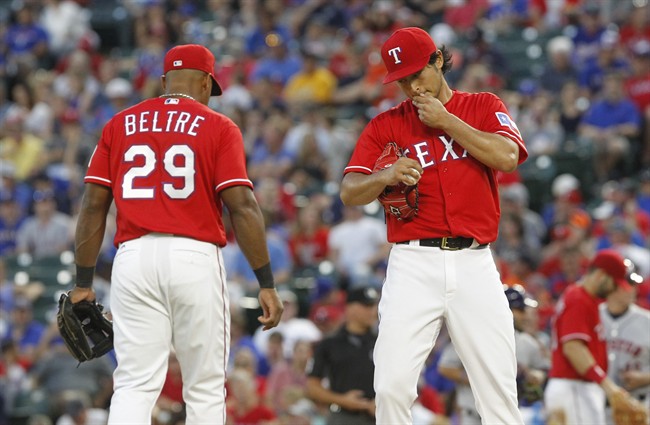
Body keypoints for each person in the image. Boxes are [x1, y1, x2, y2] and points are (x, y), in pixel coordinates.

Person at [68, 44, 284, 424]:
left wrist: (83, 282)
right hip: (193, 256)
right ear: (205, 83)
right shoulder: (218, 125)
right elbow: (243, 206)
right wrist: (265, 282)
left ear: (166, 81)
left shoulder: (119, 124)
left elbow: (91, 206)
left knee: (134, 383)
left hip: (132, 259)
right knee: (204, 386)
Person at [339, 26, 528, 424]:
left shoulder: (481, 104)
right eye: (401, 79)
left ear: (438, 60)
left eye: (416, 73)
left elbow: (508, 156)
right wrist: (384, 176)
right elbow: (350, 191)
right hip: (412, 262)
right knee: (390, 387)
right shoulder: (386, 125)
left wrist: (447, 121)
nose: (410, 86)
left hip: (475, 263)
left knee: (498, 390)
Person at [544, 249, 642, 424]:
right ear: (601, 275)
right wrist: (608, 386)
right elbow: (573, 348)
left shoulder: (585, 298)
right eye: (614, 282)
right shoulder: (579, 299)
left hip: (577, 388)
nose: (614, 288)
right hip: (574, 387)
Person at [306, 286, 380, 425]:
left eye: (374, 306)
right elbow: (312, 387)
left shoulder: (381, 342)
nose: (373, 311)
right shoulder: (329, 343)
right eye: (367, 306)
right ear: (350, 308)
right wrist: (342, 400)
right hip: (343, 417)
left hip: (379, 417)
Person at [600, 276, 650, 424]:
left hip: (639, 405)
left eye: (635, 285)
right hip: (599, 407)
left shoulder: (647, 321)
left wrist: (644, 378)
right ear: (611, 287)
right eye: (628, 285)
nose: (633, 290)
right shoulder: (592, 316)